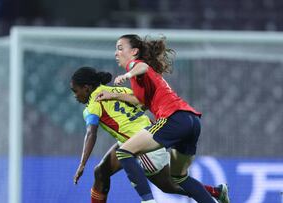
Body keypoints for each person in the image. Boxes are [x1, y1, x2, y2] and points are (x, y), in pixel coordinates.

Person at [96, 34, 230, 203]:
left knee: (124, 152)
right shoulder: (145, 79)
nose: (116, 53)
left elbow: (141, 66)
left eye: (120, 48)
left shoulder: (136, 66)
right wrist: (112, 95)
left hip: (173, 119)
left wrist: (128, 75)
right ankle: (219, 194)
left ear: (135, 51)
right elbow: (141, 102)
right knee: (179, 177)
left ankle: (148, 200)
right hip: (191, 120)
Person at [71, 67, 229, 203]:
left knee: (168, 185)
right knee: (101, 171)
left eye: (75, 91)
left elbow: (91, 133)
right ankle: (215, 192)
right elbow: (144, 104)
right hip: (140, 137)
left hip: (143, 147)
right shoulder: (119, 90)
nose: (75, 95)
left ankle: (214, 192)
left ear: (86, 88)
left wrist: (82, 163)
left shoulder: (92, 106)